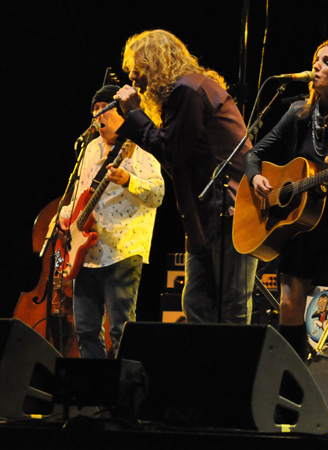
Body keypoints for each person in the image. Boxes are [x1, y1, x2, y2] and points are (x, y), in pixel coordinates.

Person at [245, 39, 328, 433]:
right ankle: (291, 402)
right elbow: (255, 152)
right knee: (289, 304)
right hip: (301, 224)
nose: (316, 67)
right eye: (315, 60)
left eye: (326, 62)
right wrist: (256, 178)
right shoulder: (297, 112)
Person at [114, 29, 258, 324]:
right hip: (207, 215)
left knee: (230, 305)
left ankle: (235, 370)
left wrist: (134, 114)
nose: (132, 78)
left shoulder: (189, 91)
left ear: (155, 62)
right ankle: (206, 369)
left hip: (230, 210)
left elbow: (170, 151)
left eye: (136, 69)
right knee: (196, 304)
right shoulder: (186, 91)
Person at [58, 84, 165, 358]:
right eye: (94, 110)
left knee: (121, 331)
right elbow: (80, 191)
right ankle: (94, 397)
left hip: (122, 250)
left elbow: (158, 194)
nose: (97, 116)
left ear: (122, 115)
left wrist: (129, 180)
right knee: (84, 332)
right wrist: (66, 213)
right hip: (86, 254)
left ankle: (121, 397)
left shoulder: (140, 148)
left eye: (103, 109)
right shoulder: (90, 149)